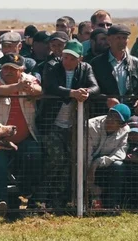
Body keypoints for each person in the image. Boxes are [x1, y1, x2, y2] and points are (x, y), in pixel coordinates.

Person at [39, 40, 99, 206]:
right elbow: (50, 86)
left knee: (69, 162)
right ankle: (41, 196)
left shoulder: (86, 68)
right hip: (51, 123)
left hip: (73, 125)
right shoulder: (52, 65)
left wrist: (85, 92)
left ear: (79, 59)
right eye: (65, 57)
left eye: (72, 58)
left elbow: (95, 87)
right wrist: (72, 93)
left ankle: (59, 200)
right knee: (56, 159)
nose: (67, 61)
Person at [0, 53, 42, 215]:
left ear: (21, 70)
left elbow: (39, 89)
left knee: (34, 155)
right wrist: (17, 88)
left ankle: (27, 192)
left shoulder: (28, 79)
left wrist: (32, 89)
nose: (8, 72)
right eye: (6, 68)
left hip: (25, 137)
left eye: (13, 69)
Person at [90, 25, 138, 117]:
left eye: (124, 38)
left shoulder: (136, 63)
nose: (122, 41)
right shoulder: (97, 63)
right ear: (109, 39)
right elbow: (92, 90)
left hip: (130, 113)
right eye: (118, 38)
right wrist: (106, 100)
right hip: (105, 114)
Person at [87, 104, 130, 209]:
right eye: (110, 115)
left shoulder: (125, 131)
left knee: (119, 166)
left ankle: (112, 206)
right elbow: (84, 154)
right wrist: (89, 179)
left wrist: (97, 162)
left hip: (104, 164)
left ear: (122, 125)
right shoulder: (91, 126)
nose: (110, 120)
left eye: (116, 119)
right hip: (84, 163)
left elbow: (120, 153)